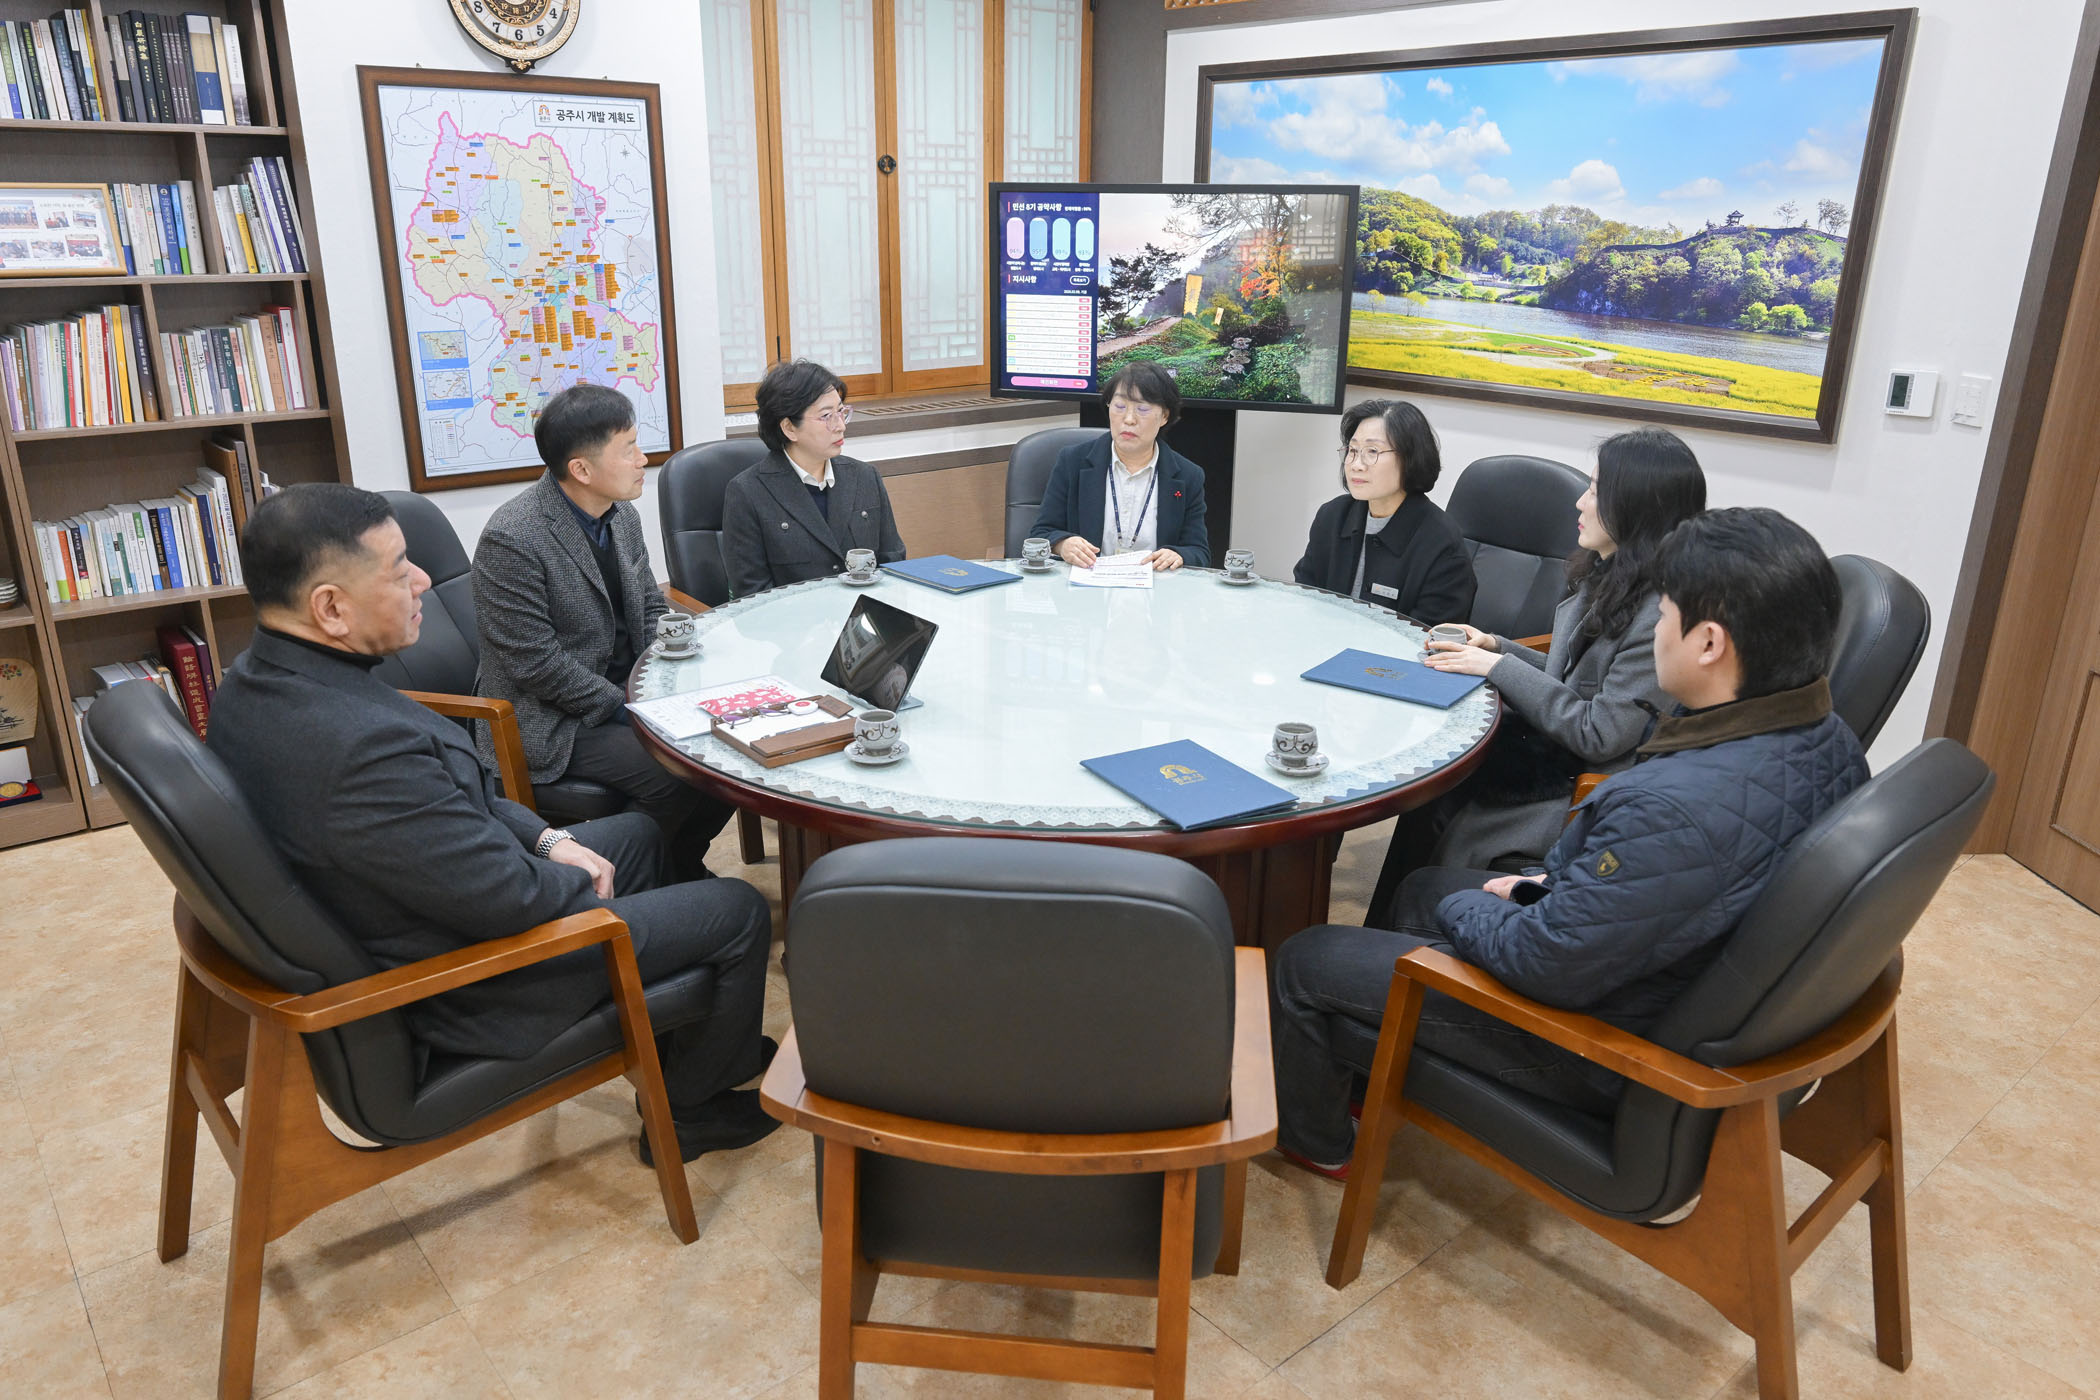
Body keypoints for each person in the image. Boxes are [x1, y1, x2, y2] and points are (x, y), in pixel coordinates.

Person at [1271, 507, 1870, 1177]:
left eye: (1664, 614)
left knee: (1304, 959)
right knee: (1420, 889)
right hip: (1650, 971)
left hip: (1595, 1048)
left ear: (1708, 643)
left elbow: (1543, 961)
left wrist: (1484, 907)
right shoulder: (1827, 738)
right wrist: (1549, 889)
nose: (1655, 630)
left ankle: (1318, 1145)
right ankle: (1368, 1067)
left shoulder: (1672, 809)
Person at [207, 484, 779, 1165]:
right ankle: (691, 1114)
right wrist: (574, 884)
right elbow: (512, 898)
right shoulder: (359, 751)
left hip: (432, 910)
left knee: (640, 838)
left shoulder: (260, 682)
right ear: (330, 607)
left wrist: (549, 838)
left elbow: (464, 795)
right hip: (475, 982)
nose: (423, 580)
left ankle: (691, 1043)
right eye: (398, 569)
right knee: (736, 910)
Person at [1366, 425, 1708, 922]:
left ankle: (1417, 921)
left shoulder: (1661, 616)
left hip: (1579, 785)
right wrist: (1496, 645)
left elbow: (1598, 733)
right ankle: (1391, 926)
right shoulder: (1610, 572)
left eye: (1595, 491)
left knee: (1440, 790)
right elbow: (1569, 679)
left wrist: (1498, 665)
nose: (1580, 502)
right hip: (1549, 752)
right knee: (1429, 784)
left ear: (1637, 507)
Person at [473, 383, 730, 882]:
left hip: (625, 692)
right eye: (628, 448)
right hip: (549, 717)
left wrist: (672, 672)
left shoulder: (621, 515)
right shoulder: (513, 537)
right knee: (678, 770)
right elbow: (536, 665)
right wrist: (630, 707)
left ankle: (675, 866)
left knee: (726, 754)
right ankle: (626, 876)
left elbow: (649, 604)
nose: (643, 459)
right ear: (582, 469)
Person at [721, 360, 906, 596]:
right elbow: (752, 593)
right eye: (827, 416)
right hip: (790, 618)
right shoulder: (747, 492)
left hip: (862, 614)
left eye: (841, 412)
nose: (840, 426)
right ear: (789, 428)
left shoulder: (865, 477)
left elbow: (894, 566)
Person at [1292, 398, 1474, 624]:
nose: (1356, 464)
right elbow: (1305, 598)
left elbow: (1433, 636)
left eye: (1372, 451)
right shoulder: (1333, 516)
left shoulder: (1441, 542)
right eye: (1353, 450)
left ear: (1410, 458)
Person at [1031, 362, 1210, 570]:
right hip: (1087, 584)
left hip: (1155, 585)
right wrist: (1062, 544)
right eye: (1119, 406)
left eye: (1143, 409)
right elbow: (1041, 533)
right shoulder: (1072, 462)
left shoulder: (1188, 476)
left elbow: (1199, 552)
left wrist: (1178, 555)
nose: (1129, 419)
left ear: (1164, 416)